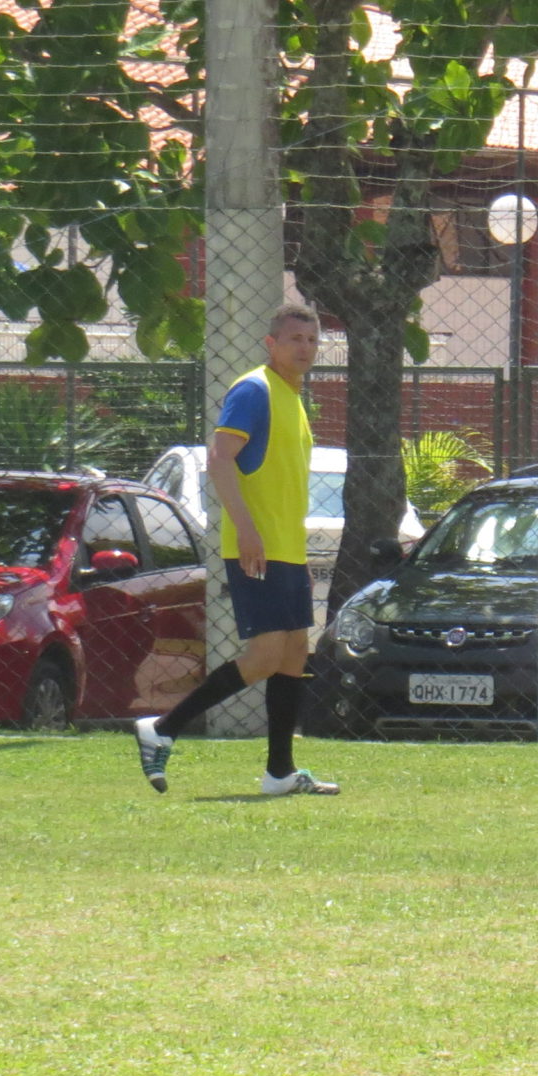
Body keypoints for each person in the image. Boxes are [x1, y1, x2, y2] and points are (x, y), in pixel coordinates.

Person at [132, 304, 338, 796]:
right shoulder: (254, 389)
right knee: (265, 656)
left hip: (287, 552)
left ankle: (280, 774)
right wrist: (245, 530)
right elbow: (220, 459)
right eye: (295, 339)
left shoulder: (292, 398)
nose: (305, 348)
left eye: (312, 340)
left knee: (293, 655)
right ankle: (162, 728)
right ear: (271, 343)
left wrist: (299, 559)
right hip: (257, 547)